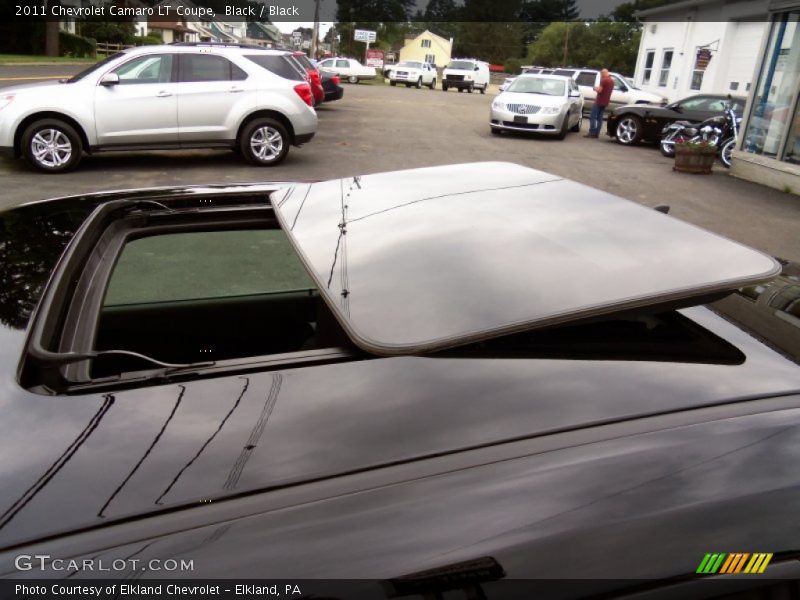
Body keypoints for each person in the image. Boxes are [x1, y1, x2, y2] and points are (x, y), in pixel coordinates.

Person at [585, 69, 614, 138]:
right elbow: (605, 90)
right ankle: (597, 133)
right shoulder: (611, 81)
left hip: (599, 101)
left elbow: (600, 90)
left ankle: (592, 132)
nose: (601, 76)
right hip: (605, 101)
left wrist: (595, 88)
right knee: (600, 118)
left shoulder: (604, 80)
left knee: (593, 116)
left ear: (603, 73)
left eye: (601, 74)